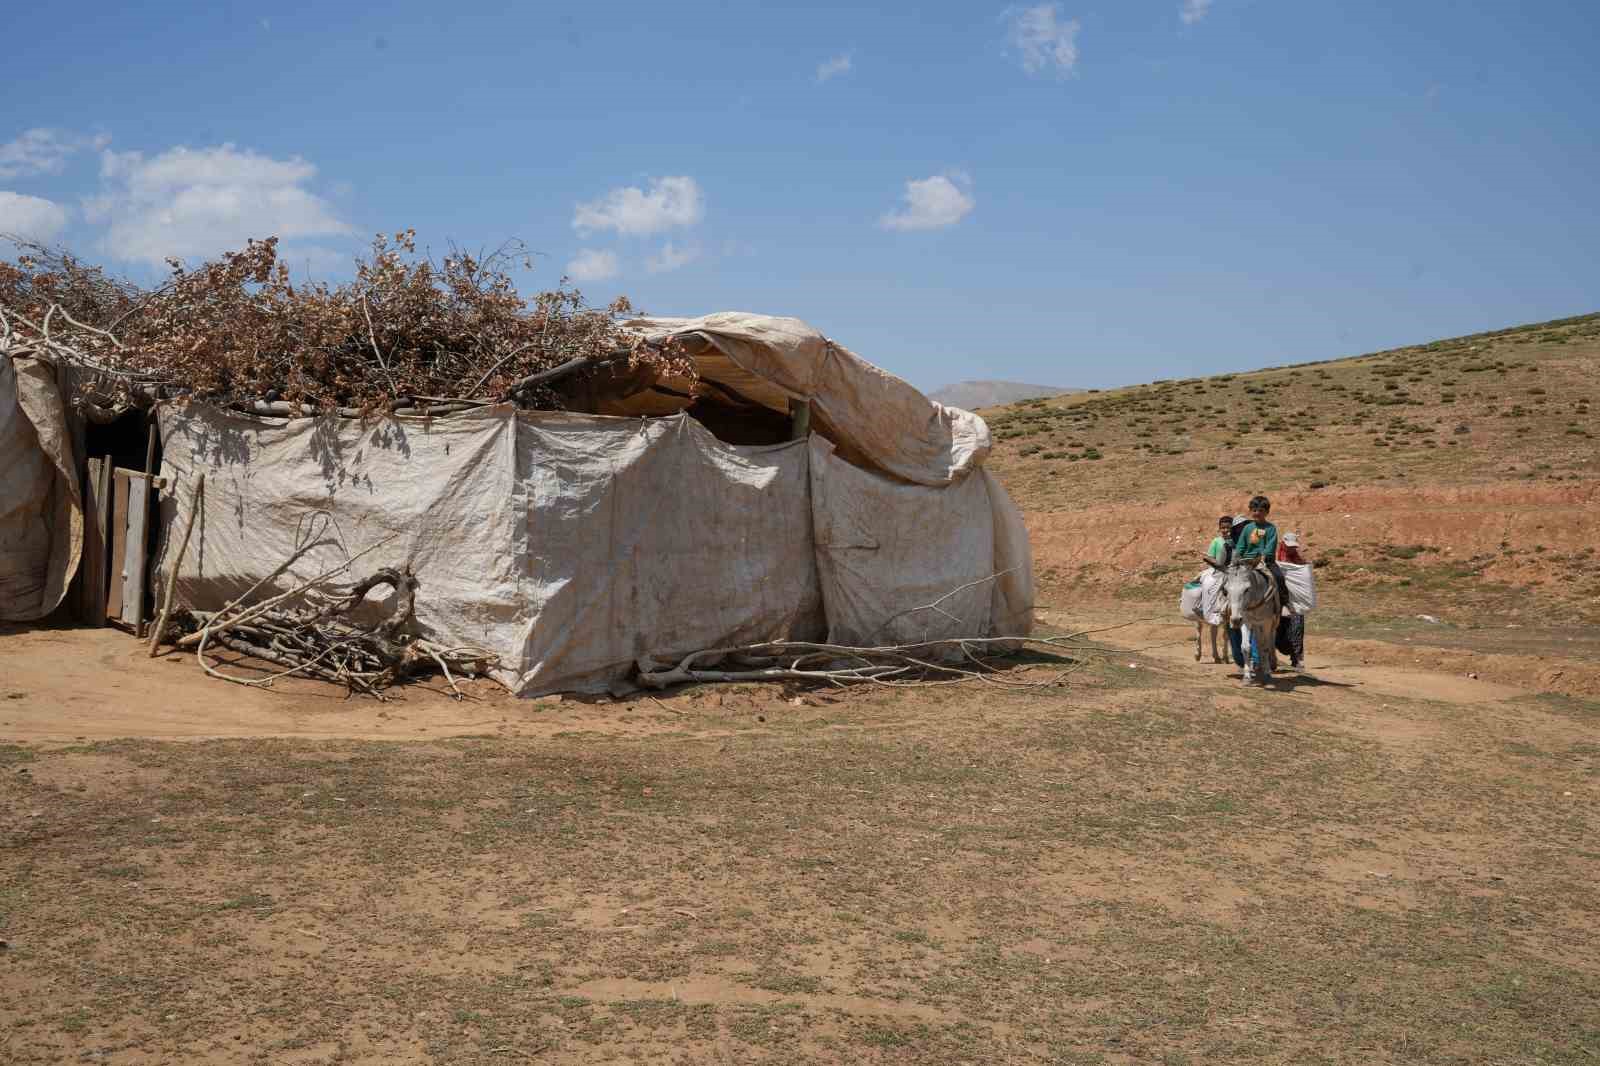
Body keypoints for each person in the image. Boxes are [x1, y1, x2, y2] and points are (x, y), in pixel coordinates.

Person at [1232, 494, 1292, 610]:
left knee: (1279, 577)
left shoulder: (1271, 528)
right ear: (1250, 511)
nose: (1257, 513)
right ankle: (1227, 605)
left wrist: (1263, 557)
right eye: (1254, 510)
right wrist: (1236, 558)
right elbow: (1240, 546)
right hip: (1246, 561)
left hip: (1265, 561)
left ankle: (1284, 603)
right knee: (1230, 579)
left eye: (1261, 510)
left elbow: (1270, 545)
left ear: (1267, 512)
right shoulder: (1247, 528)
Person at [1276, 531, 1308, 668]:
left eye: (1293, 547)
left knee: (1297, 626)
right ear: (1282, 544)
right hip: (1280, 599)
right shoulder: (1276, 559)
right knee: (1278, 627)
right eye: (1288, 546)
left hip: (1295, 600)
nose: (1291, 549)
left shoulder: (1297, 560)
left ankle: (1297, 657)